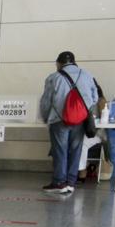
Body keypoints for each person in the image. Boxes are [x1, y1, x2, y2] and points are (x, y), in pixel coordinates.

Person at [39, 52, 102, 198]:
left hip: (59, 120)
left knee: (60, 150)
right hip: (79, 120)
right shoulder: (86, 75)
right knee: (76, 150)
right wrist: (83, 110)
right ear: (74, 62)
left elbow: (46, 101)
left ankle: (59, 182)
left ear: (59, 63)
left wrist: (44, 117)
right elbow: (94, 98)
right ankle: (71, 182)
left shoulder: (53, 77)